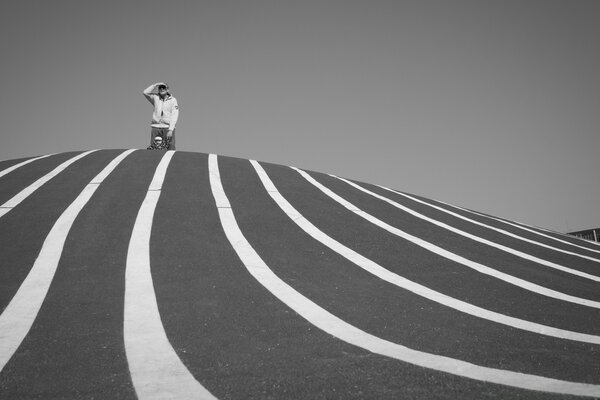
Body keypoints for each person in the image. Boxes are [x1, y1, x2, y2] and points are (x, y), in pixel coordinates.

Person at [143, 82, 179, 150]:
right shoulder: (155, 97)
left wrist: (171, 130)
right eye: (160, 88)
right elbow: (145, 92)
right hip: (156, 127)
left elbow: (175, 115)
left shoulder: (173, 100)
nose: (162, 89)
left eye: (164, 87)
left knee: (170, 148)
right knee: (154, 148)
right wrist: (155, 85)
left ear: (167, 90)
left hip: (167, 128)